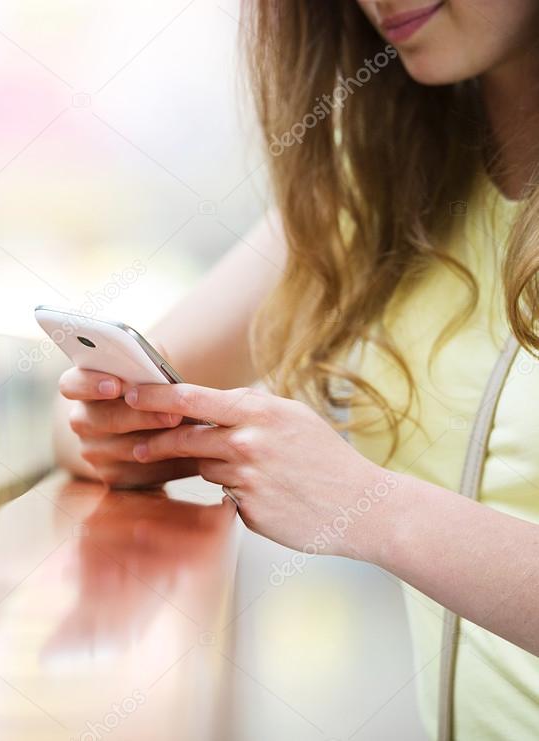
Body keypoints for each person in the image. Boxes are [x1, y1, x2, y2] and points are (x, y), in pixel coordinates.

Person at [54, 2, 539, 738]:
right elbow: (91, 410)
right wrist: (124, 432)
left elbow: (365, 504)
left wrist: (367, 505)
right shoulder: (383, 176)